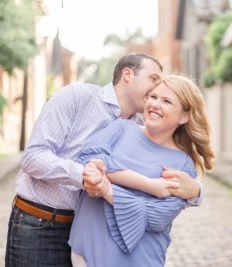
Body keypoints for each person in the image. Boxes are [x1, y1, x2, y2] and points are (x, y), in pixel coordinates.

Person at [5, 54, 202, 267]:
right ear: (128, 74)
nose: (158, 87)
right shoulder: (77, 96)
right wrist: (85, 176)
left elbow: (168, 182)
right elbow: (33, 156)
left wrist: (196, 192)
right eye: (154, 78)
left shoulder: (138, 127)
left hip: (84, 234)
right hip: (40, 224)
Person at [69, 75, 215, 267]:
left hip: (141, 260)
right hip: (87, 253)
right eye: (153, 97)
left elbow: (155, 217)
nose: (155, 104)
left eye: (166, 101)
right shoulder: (121, 128)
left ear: (184, 116)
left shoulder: (182, 165)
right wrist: (150, 186)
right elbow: (87, 159)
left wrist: (107, 189)